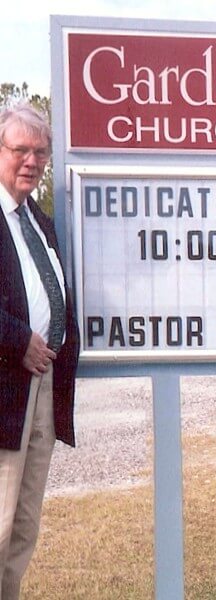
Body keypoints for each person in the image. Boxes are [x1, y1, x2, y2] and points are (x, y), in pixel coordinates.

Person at [0, 103, 79, 598]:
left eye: (40, 153)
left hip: (43, 388)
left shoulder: (38, 219)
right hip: (4, 391)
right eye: (20, 150)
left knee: (24, 529)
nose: (31, 161)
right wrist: (15, 338)